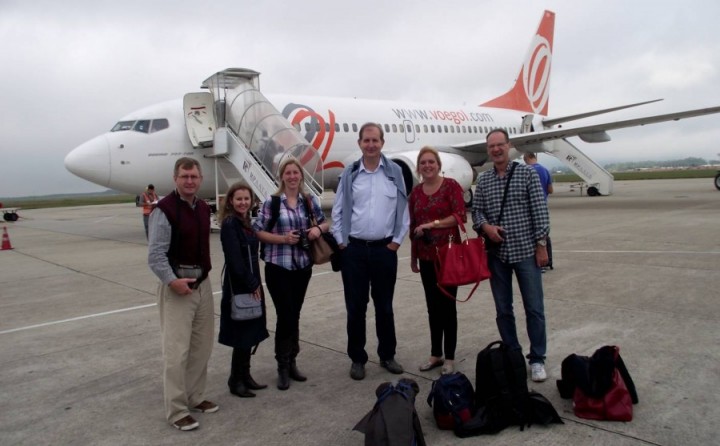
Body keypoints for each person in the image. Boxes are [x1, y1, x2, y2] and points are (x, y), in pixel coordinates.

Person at [331, 122, 410, 381]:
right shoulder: (351, 173)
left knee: (384, 307)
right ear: (360, 143)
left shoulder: (395, 172)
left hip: (384, 250)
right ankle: (357, 358)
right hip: (354, 251)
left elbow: (403, 209)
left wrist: (397, 241)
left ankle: (387, 355)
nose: (371, 144)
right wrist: (341, 241)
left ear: (382, 143)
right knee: (356, 307)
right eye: (366, 140)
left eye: (375, 140)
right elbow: (338, 210)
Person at [471, 129, 550, 382]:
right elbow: (477, 213)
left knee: (534, 308)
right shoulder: (483, 181)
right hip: (497, 255)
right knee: (503, 309)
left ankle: (537, 358)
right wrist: (486, 228)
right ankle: (512, 354)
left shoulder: (526, 174)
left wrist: (541, 245)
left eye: (500, 145)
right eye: (491, 146)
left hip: (525, 251)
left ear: (509, 146)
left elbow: (540, 211)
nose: (496, 150)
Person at [148, 157, 217, 431]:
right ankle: (176, 410)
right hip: (177, 289)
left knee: (202, 347)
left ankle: (195, 396)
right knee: (177, 352)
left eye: (194, 176)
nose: (190, 181)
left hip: (202, 286)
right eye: (184, 176)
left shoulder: (202, 207)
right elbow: (155, 255)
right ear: (175, 179)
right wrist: (172, 281)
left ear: (200, 179)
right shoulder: (163, 210)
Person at [253, 158, 329, 390]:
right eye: (288, 173)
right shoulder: (272, 202)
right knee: (285, 315)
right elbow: (258, 231)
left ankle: (292, 361)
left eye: (296, 173)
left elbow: (325, 223)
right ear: (282, 177)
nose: (293, 177)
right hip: (279, 267)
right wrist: (283, 239)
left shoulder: (309, 200)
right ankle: (282, 365)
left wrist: (316, 229)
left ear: (301, 176)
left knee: (293, 315)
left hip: (302, 267)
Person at [409, 147, 466, 375]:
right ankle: (435, 354)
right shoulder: (415, 193)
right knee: (432, 308)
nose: (427, 166)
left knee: (448, 307)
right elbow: (413, 227)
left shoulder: (451, 186)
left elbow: (459, 216)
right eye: (423, 163)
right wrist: (413, 258)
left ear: (438, 164)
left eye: (431, 162)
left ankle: (450, 356)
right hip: (426, 258)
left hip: (449, 255)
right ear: (418, 167)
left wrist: (432, 225)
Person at [218, 182, 270, 398]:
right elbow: (234, 261)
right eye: (238, 199)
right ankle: (235, 380)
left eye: (246, 199)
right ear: (231, 201)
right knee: (241, 335)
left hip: (252, 283)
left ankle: (246, 375)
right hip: (241, 286)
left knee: (250, 333)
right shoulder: (231, 224)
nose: (243, 202)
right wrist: (252, 285)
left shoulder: (246, 222)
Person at [523, 152, 554, 270]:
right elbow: (550, 190)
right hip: (543, 206)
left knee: (532, 237)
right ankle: (548, 262)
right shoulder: (545, 170)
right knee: (544, 235)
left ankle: (538, 264)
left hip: (530, 208)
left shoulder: (527, 171)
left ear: (526, 159)